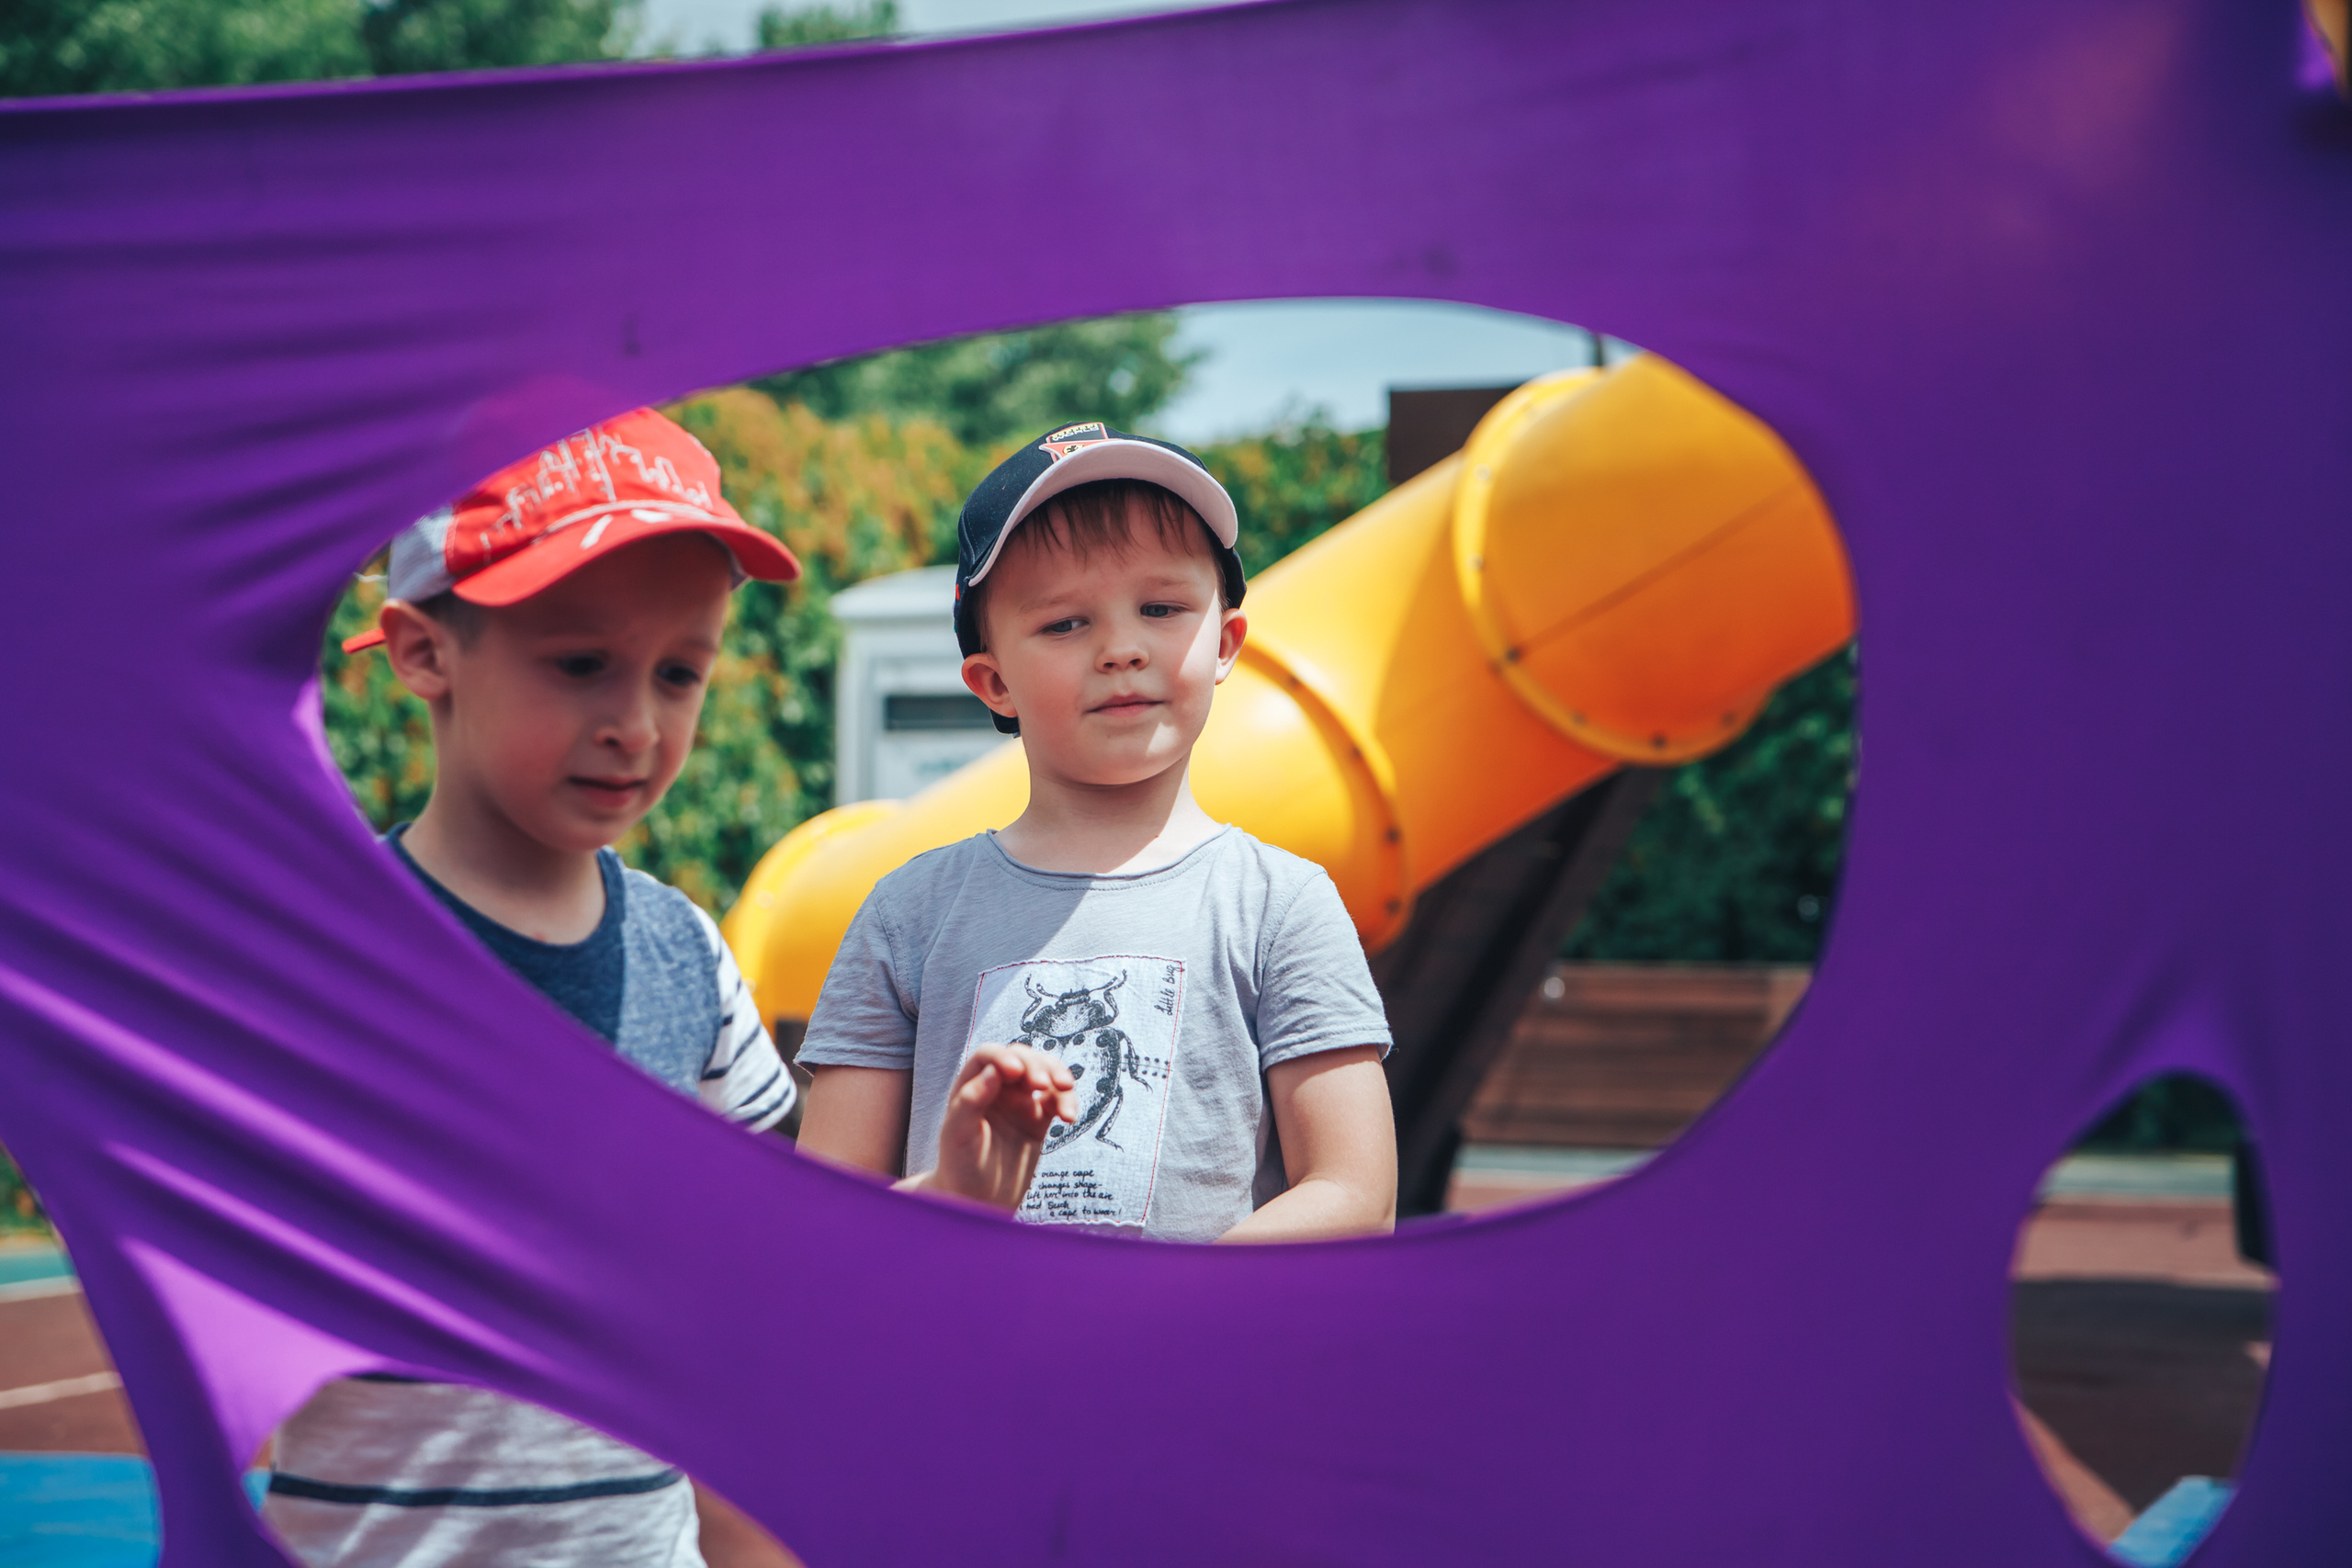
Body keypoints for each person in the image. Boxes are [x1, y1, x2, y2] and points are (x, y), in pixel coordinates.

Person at [268, 409, 1074, 1568]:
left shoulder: (680, 954)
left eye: (680, 672)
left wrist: (946, 1193)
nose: (637, 726)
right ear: (421, 650)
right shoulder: (317, 964)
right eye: (581, 663)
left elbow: (766, 1281)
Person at [796, 423, 1397, 1244]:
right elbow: (823, 1226)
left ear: (1225, 643)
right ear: (993, 679)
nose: (1121, 648)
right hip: (960, 1365)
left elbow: (1356, 1195)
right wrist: (956, 1196)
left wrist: (1163, 1309)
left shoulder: (1280, 905)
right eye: (1065, 624)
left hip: (1197, 1367)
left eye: (1160, 607)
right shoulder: (908, 914)